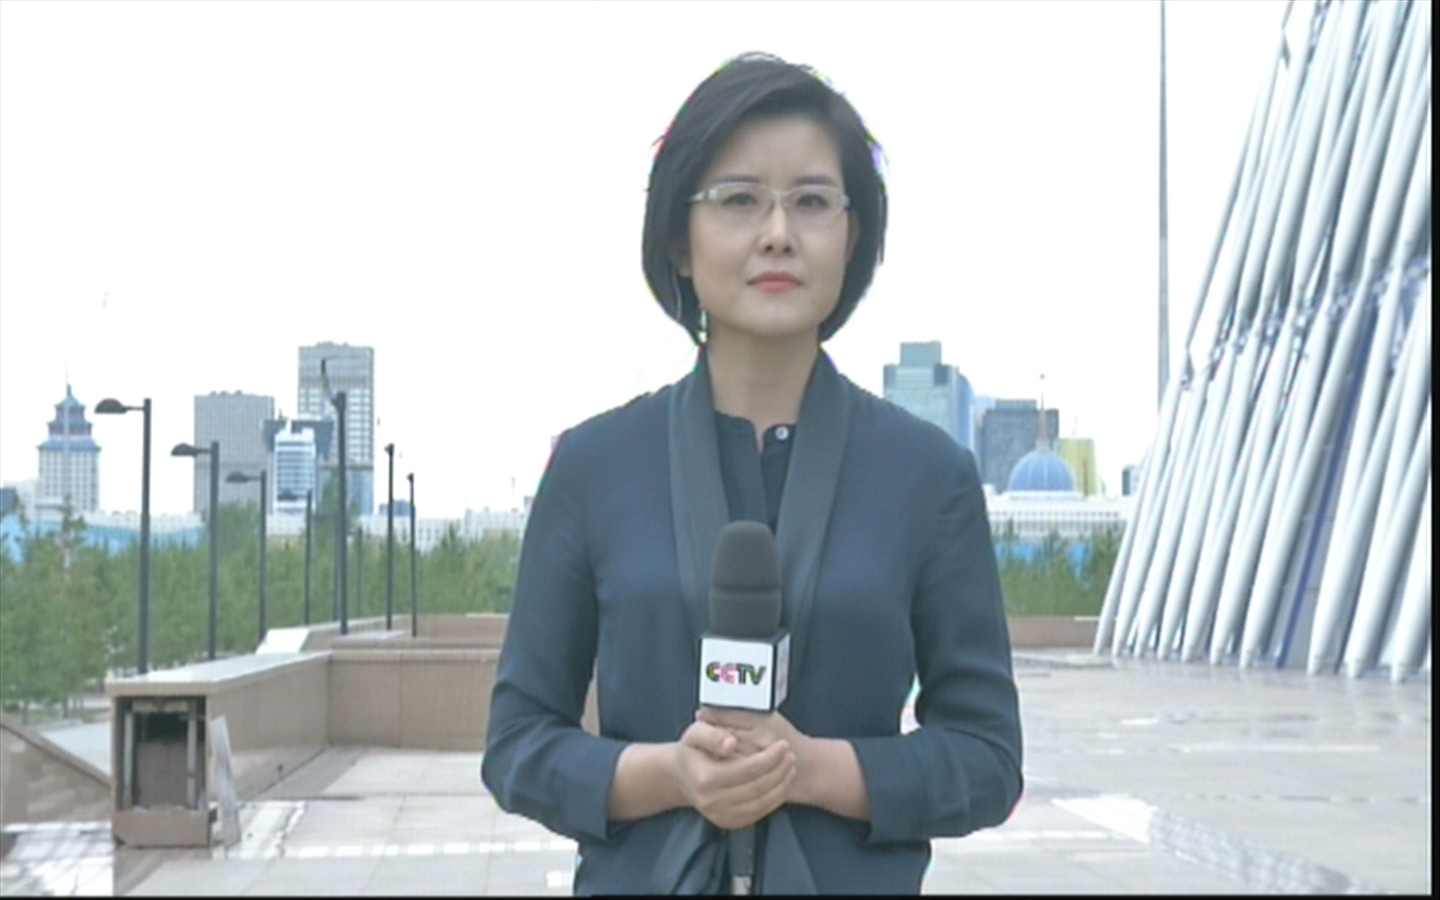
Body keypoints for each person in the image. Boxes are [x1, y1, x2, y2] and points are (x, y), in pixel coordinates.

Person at [482, 52, 1023, 895]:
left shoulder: (928, 478)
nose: (778, 233)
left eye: (812, 201)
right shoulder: (592, 466)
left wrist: (808, 769)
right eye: (739, 200)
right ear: (679, 239)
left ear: (853, 237)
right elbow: (517, 745)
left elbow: (986, 759)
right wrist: (673, 774)